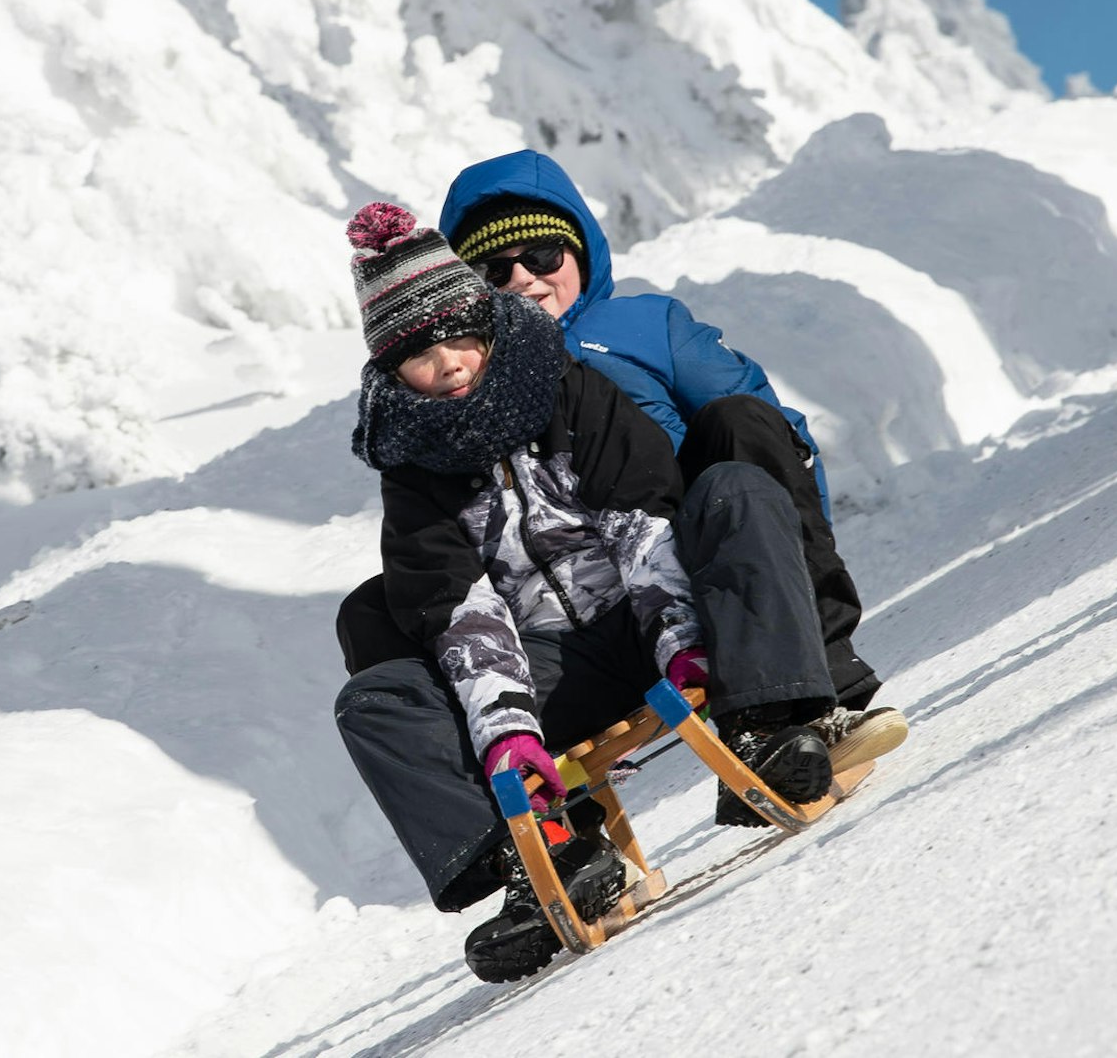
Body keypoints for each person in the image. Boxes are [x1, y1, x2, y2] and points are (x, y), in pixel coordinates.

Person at [331, 202, 857, 983]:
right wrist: (509, 735)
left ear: (485, 321)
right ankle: (541, 854)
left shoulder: (570, 390)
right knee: (373, 694)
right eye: (418, 353)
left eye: (457, 335)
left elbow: (641, 525)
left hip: (651, 620)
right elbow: (463, 613)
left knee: (735, 491)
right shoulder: (413, 471)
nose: (447, 363)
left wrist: (684, 644)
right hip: (550, 664)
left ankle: (770, 724)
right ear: (390, 371)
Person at [435, 151, 893, 727]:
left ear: (578, 251)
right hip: (593, 597)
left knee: (739, 420)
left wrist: (793, 559)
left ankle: (819, 672)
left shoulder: (645, 326)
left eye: (542, 254)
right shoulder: (469, 381)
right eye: (495, 271)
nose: (524, 277)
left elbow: (775, 441)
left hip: (711, 537)